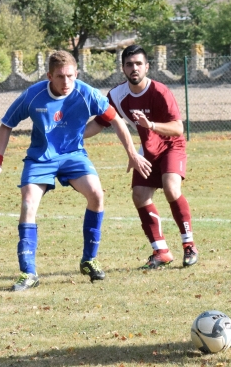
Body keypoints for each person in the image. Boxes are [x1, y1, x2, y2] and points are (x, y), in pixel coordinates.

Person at [0, 50, 151, 291]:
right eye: (60, 77)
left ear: (77, 73)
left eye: (71, 76)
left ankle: (89, 260)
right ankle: (28, 273)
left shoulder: (86, 93)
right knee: (28, 204)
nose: (66, 82)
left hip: (73, 155)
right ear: (49, 76)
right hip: (40, 158)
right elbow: (6, 125)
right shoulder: (33, 95)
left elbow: (115, 119)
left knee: (96, 194)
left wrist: (132, 154)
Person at [85, 45, 198, 268]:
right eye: (129, 64)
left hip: (170, 145)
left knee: (171, 187)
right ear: (123, 69)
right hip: (148, 148)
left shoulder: (160, 91)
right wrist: (74, 138)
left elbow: (177, 128)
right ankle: (161, 251)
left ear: (147, 67)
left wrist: (152, 125)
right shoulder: (117, 95)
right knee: (139, 195)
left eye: (138, 64)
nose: (134, 68)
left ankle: (189, 245)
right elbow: (100, 122)